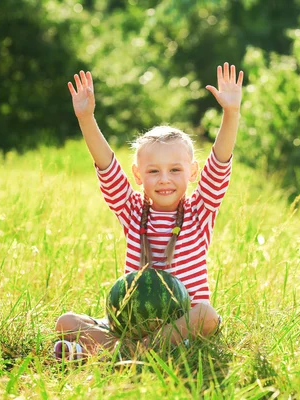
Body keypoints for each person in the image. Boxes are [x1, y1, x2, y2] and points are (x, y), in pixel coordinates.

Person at [54, 62, 243, 361]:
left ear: (192, 172)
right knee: (65, 321)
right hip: (131, 323)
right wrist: (86, 118)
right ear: (138, 175)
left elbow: (219, 164)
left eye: (175, 169)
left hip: (181, 324)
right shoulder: (131, 212)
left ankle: (113, 353)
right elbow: (106, 167)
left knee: (207, 315)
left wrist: (231, 113)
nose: (164, 179)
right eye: (153, 170)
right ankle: (136, 351)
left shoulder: (199, 211)